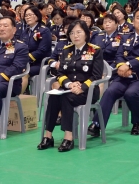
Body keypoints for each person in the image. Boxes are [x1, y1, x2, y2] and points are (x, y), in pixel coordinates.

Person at [88, 7, 139, 137]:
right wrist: (122, 66)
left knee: (131, 93)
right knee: (110, 91)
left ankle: (136, 122)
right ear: (133, 21)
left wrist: (128, 65)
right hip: (123, 76)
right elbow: (119, 55)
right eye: (138, 18)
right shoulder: (125, 36)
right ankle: (97, 124)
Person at [38, 20, 104, 152]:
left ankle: (69, 137)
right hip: (68, 89)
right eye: (72, 33)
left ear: (86, 34)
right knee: (53, 97)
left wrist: (81, 87)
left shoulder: (95, 51)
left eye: (79, 32)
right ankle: (48, 135)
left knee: (66, 98)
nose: (75, 36)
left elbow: (96, 76)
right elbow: (60, 73)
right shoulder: (66, 50)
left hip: (88, 91)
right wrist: (69, 84)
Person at [21, 6, 52, 78]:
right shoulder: (25, 31)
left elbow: (42, 50)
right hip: (25, 61)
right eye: (26, 15)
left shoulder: (44, 30)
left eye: (30, 15)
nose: (27, 17)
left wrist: (26, 59)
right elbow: (21, 46)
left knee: (24, 73)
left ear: (37, 16)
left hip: (39, 63)